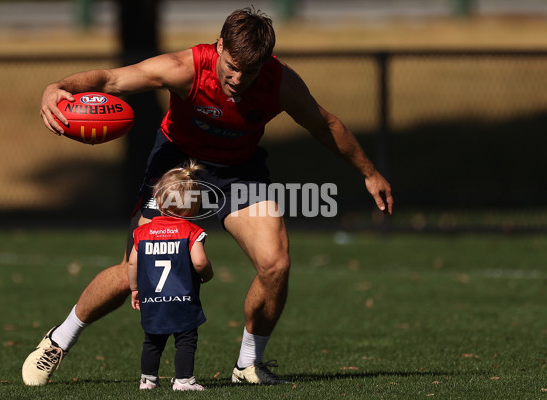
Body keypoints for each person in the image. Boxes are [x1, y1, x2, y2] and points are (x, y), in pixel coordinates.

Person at [22, 6, 394, 386]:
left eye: (250, 71)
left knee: (275, 264)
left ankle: (249, 364)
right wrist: (59, 88)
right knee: (131, 272)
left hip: (238, 172)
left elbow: (325, 124)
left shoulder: (279, 82)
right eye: (232, 66)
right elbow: (112, 79)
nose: (238, 78)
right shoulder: (184, 68)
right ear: (219, 47)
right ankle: (58, 340)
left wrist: (369, 172)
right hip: (176, 168)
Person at [127, 160, 213, 391]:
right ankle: (184, 380)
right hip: (182, 298)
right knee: (185, 340)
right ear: (193, 206)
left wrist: (135, 289)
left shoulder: (142, 232)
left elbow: (133, 262)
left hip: (152, 299)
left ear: (159, 200)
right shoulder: (191, 231)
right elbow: (199, 261)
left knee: (152, 341)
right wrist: (208, 274)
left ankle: (148, 380)